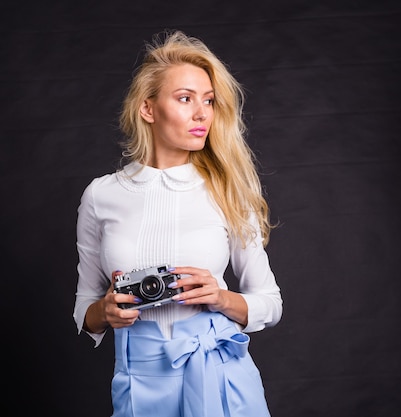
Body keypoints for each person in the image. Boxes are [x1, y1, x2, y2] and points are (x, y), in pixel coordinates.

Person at [73, 29, 283, 417]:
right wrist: (105, 311)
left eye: (209, 101)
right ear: (148, 109)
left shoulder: (227, 191)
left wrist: (221, 298)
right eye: (185, 99)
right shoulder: (101, 196)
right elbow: (85, 308)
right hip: (139, 379)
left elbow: (270, 303)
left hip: (220, 375)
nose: (202, 113)